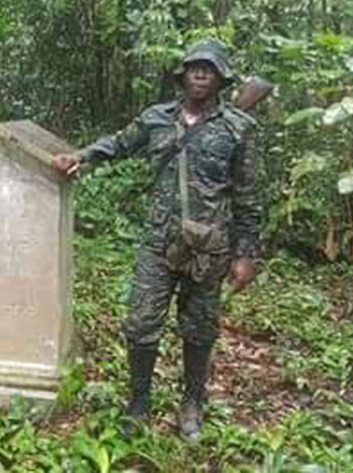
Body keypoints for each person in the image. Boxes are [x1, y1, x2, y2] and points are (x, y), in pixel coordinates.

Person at [53, 39, 260, 439]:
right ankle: (139, 403)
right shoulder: (156, 118)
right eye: (194, 67)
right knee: (141, 324)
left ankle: (192, 403)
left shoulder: (239, 128)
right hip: (159, 243)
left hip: (209, 247)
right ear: (182, 75)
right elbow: (118, 143)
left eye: (210, 69)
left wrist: (246, 253)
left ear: (221, 78)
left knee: (199, 329)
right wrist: (82, 155)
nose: (201, 74)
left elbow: (247, 196)